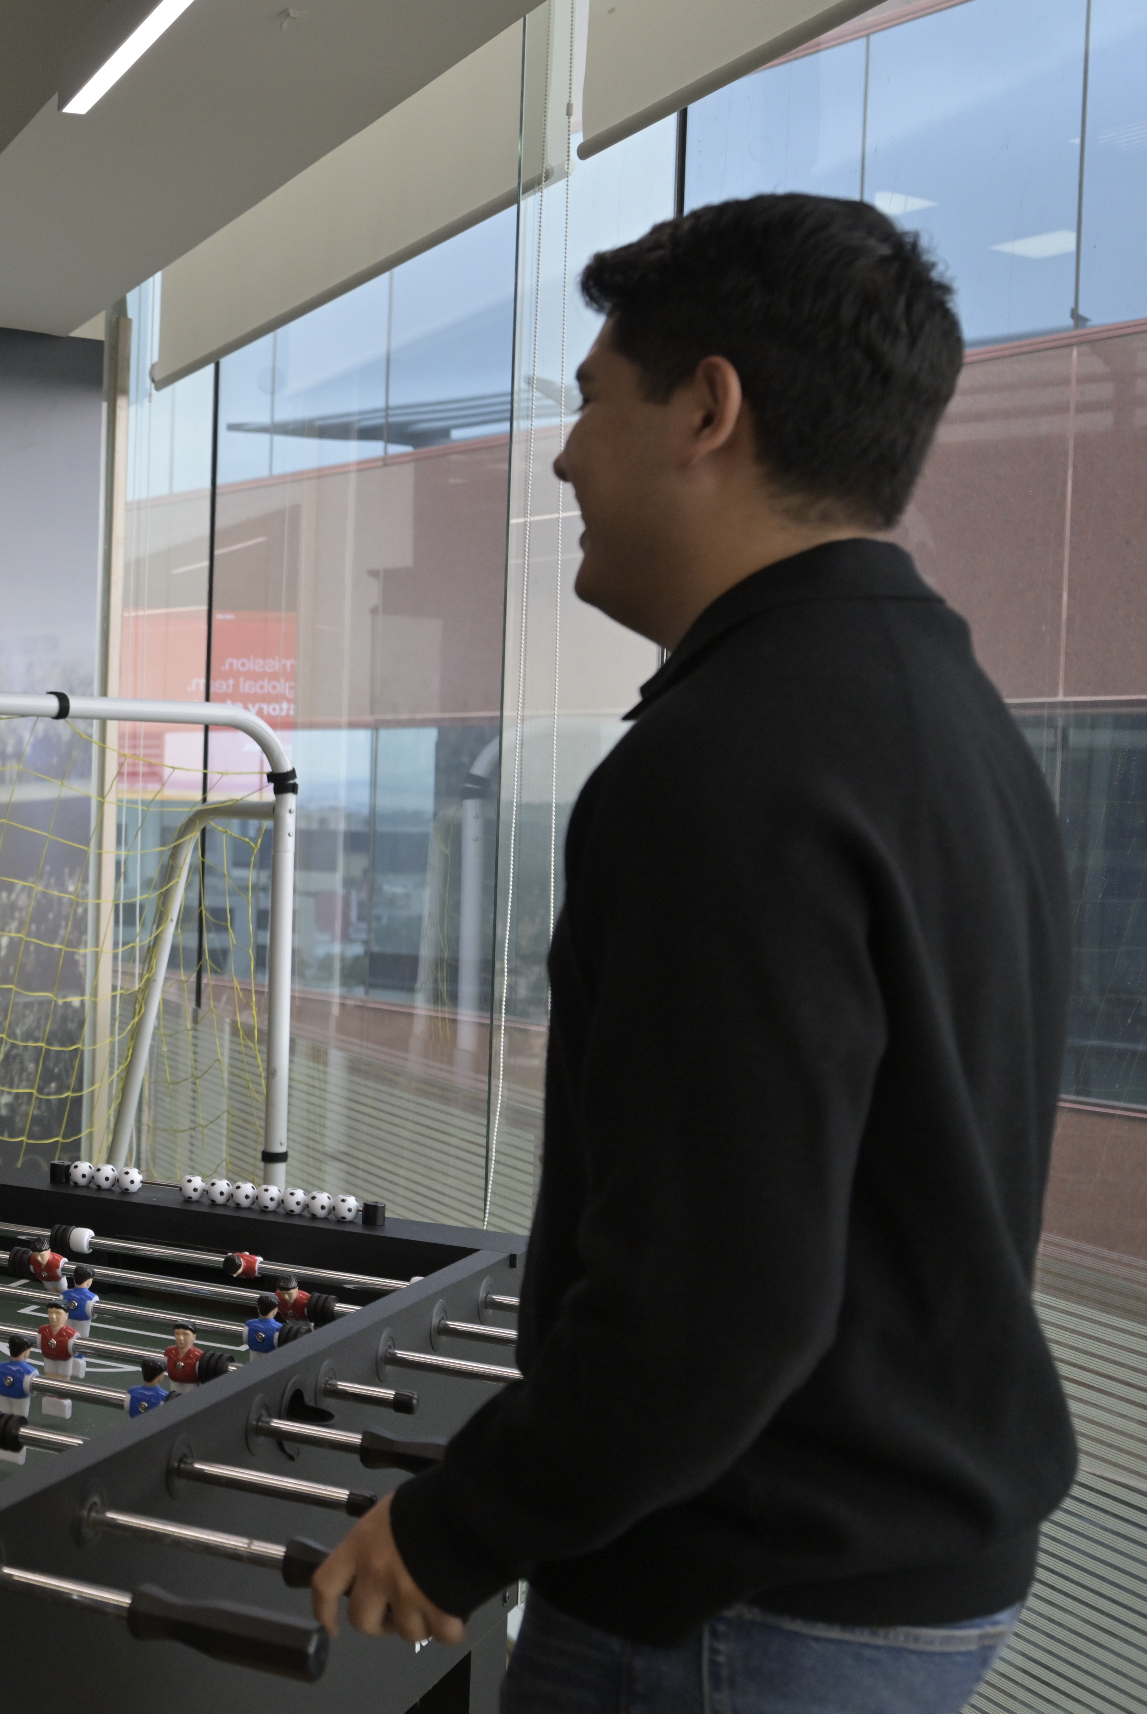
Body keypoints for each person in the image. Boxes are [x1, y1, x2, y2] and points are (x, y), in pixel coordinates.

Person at [308, 195, 1075, 1712]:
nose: (565, 454)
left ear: (708, 407)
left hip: (740, 1607)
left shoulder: (726, 767)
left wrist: (459, 1525)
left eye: (593, 398)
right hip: (888, 1578)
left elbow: (715, 1308)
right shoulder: (953, 716)